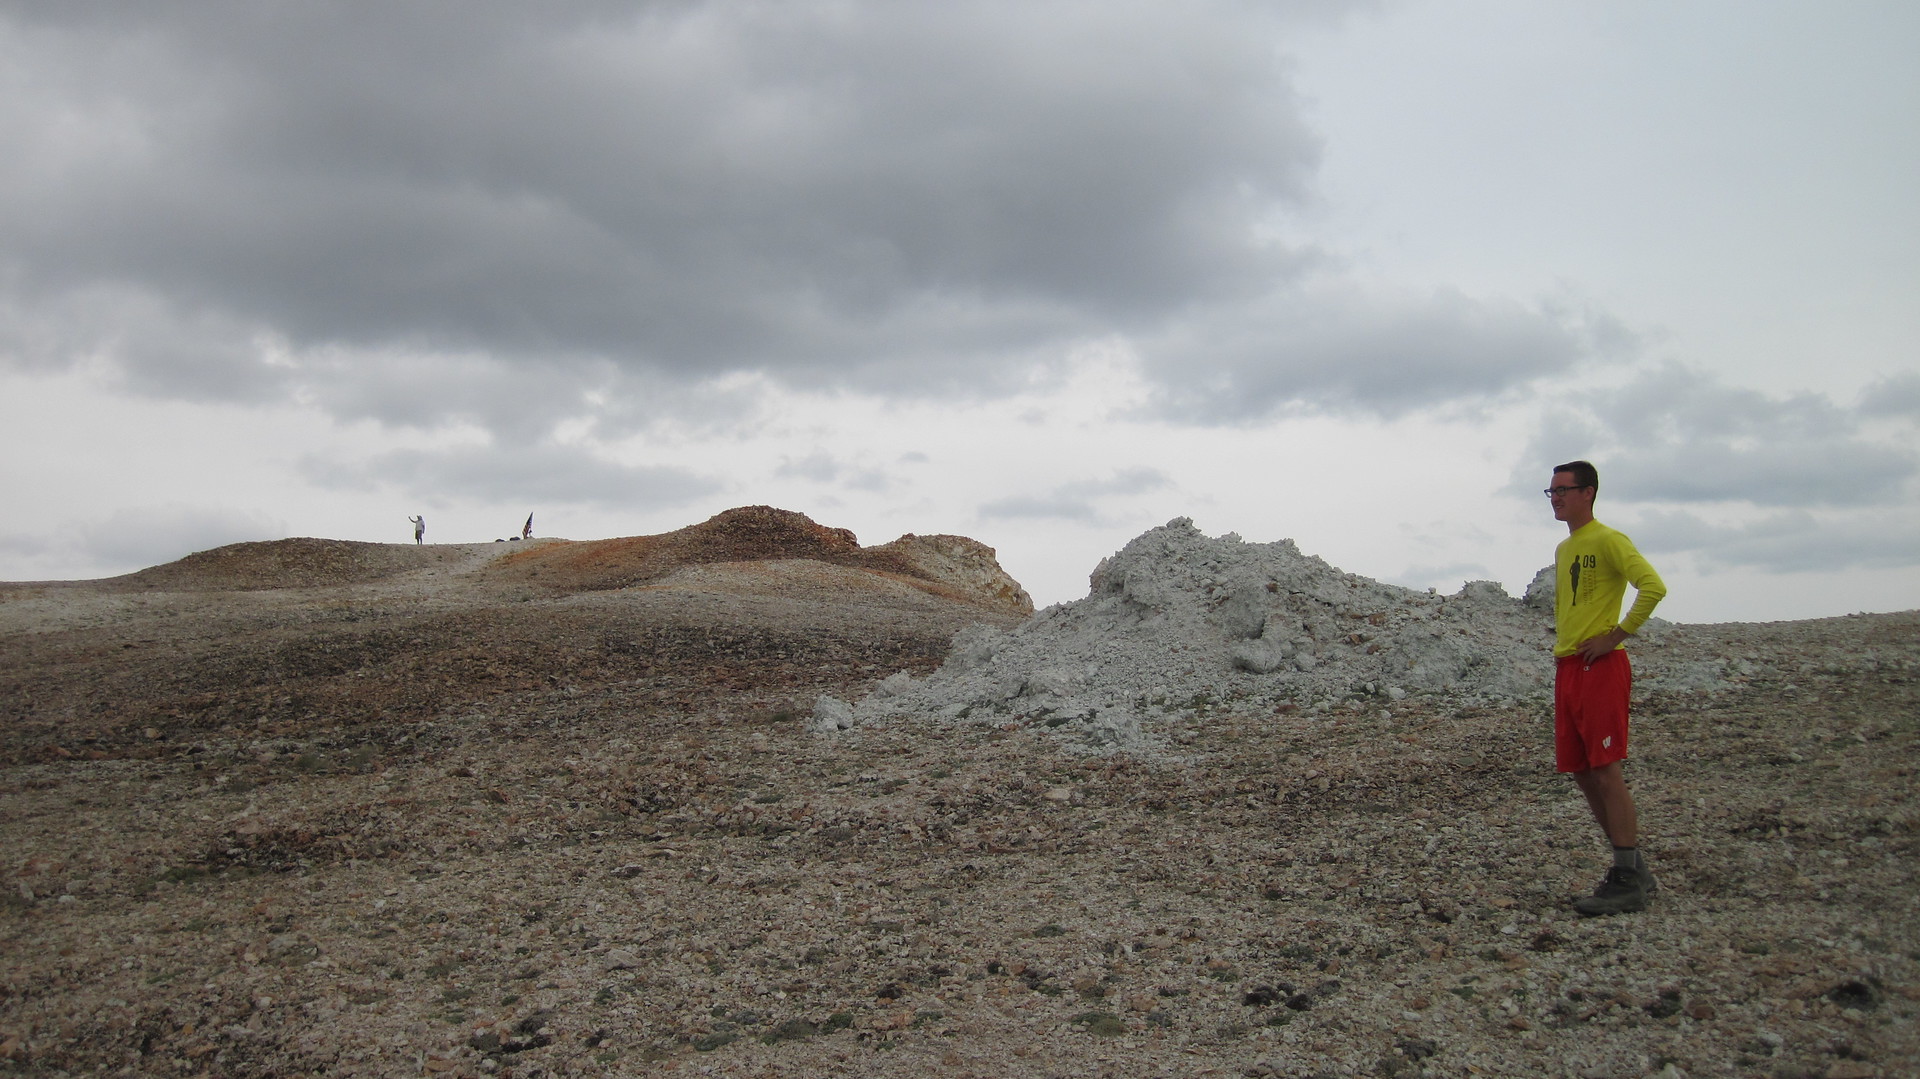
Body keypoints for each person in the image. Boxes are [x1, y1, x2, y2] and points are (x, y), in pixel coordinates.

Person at [1546, 460, 1666, 916]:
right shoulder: (1565, 548)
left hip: (1601, 665)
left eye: (1563, 489)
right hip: (1569, 665)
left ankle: (1626, 877)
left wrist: (1616, 635)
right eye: (1551, 490)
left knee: (1604, 768)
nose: (1555, 498)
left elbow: (1652, 587)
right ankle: (1631, 863)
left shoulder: (1610, 539)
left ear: (1588, 493)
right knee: (1580, 768)